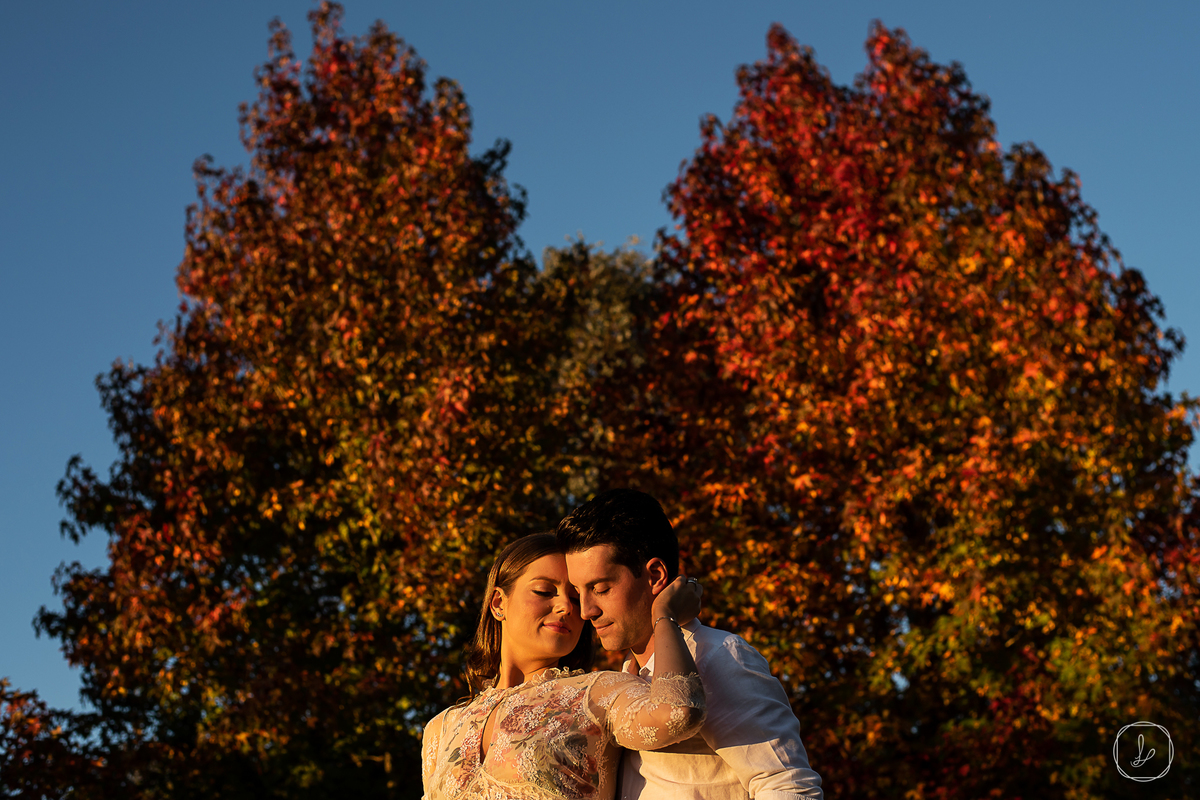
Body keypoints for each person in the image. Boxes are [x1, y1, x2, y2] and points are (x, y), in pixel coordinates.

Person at [558, 490, 824, 800]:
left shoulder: (717, 656)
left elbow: (789, 787)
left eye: (601, 588)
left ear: (655, 575)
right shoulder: (625, 678)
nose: (587, 610)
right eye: (579, 592)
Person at [420, 533, 707, 800]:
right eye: (544, 591)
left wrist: (664, 617)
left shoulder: (598, 692)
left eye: (574, 597)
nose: (567, 607)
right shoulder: (440, 729)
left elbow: (679, 712)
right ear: (498, 603)